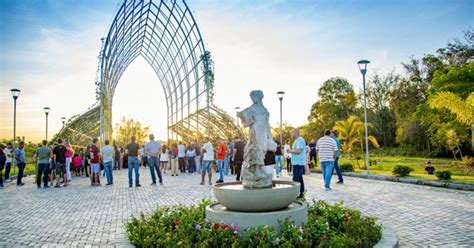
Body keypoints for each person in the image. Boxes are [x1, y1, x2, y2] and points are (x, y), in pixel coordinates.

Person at [289, 129, 306, 198]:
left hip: (298, 163)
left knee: (295, 180)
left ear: (295, 132)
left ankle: (294, 195)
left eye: (291, 133)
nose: (290, 134)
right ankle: (301, 193)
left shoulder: (300, 140)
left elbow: (298, 151)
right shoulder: (297, 140)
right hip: (297, 162)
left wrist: (290, 151)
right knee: (300, 179)